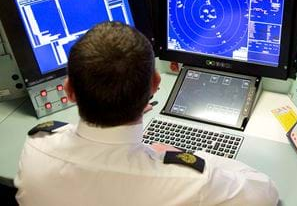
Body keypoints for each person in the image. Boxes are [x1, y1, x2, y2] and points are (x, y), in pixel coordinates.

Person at [14, 21, 279, 206]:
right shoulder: (190, 181)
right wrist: (184, 156)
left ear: (69, 91)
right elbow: (266, 193)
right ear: (155, 84)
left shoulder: (36, 147)